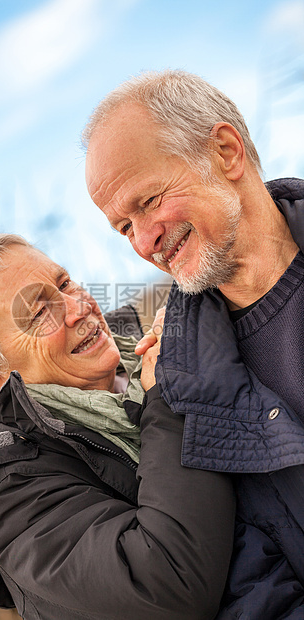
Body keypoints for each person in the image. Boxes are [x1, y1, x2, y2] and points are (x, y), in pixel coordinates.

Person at [0, 233, 235, 620]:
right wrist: (168, 399)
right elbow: (168, 587)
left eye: (64, 284)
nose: (78, 308)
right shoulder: (13, 504)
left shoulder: (165, 354)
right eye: (36, 315)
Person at [84, 69, 304, 617]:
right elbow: (253, 589)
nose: (143, 241)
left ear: (226, 152)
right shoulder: (177, 389)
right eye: (122, 228)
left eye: (150, 200)